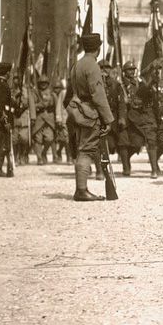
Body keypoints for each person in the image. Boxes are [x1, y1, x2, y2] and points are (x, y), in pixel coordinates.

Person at [63, 33, 116, 201]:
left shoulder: (76, 65)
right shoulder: (93, 66)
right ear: (98, 48)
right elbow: (98, 95)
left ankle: (81, 188)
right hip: (90, 113)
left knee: (82, 149)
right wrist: (108, 119)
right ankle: (81, 190)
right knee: (86, 151)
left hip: (78, 112)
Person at [31, 77, 57, 164]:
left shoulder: (52, 94)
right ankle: (39, 158)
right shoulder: (35, 93)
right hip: (39, 118)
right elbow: (32, 105)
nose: (43, 84)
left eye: (45, 83)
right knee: (38, 139)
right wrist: (40, 105)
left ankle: (44, 152)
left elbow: (56, 106)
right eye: (41, 83)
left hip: (49, 119)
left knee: (50, 138)